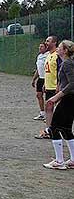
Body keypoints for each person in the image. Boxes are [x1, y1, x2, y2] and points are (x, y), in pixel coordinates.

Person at [43, 40, 74, 170]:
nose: (58, 49)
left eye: (60, 47)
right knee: (66, 130)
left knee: (54, 127)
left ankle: (59, 161)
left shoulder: (67, 63)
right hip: (69, 99)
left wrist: (57, 96)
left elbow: (72, 83)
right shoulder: (67, 62)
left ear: (65, 51)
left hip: (69, 99)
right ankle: (72, 159)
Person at [35, 36, 63, 139]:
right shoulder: (49, 55)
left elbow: (61, 71)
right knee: (49, 109)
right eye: (46, 40)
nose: (46, 43)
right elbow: (48, 72)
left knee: (54, 110)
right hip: (49, 86)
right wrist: (45, 84)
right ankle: (50, 130)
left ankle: (54, 130)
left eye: (48, 41)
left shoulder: (57, 55)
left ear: (54, 43)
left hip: (56, 87)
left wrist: (59, 85)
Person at [31, 43, 49, 120]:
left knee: (48, 97)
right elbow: (38, 69)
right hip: (40, 79)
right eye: (39, 46)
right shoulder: (39, 56)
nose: (40, 48)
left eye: (41, 46)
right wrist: (34, 79)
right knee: (39, 95)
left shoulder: (48, 55)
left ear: (46, 48)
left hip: (47, 79)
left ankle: (49, 114)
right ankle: (42, 113)